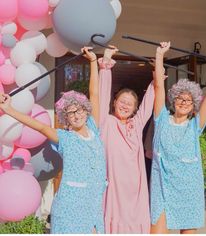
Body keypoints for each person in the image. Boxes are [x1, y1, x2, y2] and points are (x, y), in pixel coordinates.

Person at [0, 47, 107, 234]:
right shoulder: (64, 137)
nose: (76, 115)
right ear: (65, 118)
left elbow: (95, 95)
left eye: (79, 109)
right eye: (70, 113)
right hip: (69, 206)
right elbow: (39, 126)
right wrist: (9, 110)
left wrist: (92, 62)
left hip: (93, 204)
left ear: (86, 110)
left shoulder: (94, 129)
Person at [150, 42, 206, 234]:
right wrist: (159, 56)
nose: (184, 102)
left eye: (188, 100)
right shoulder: (161, 119)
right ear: (173, 100)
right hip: (163, 187)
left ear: (193, 105)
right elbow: (158, 86)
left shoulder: (194, 126)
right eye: (180, 98)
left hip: (188, 188)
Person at [98, 47, 154, 233]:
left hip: (135, 189)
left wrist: (156, 77)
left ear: (135, 109)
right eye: (122, 101)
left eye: (129, 104)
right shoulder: (106, 122)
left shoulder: (137, 124)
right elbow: (101, 94)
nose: (125, 106)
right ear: (114, 102)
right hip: (113, 187)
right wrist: (106, 65)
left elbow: (149, 103)